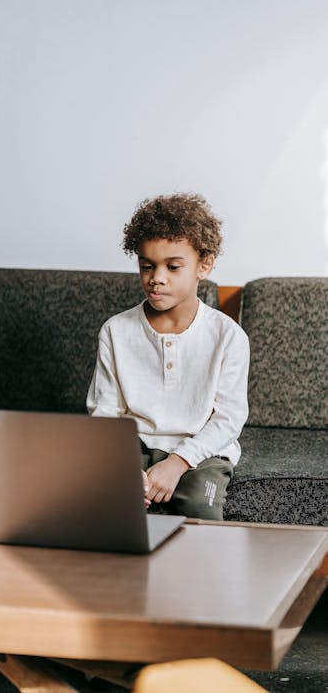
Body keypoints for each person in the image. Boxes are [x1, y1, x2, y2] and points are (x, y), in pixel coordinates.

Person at [87, 193, 249, 519]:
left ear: (204, 265)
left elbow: (228, 419)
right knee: (99, 499)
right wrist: (120, 468)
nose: (156, 278)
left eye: (173, 267)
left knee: (200, 509)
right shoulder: (116, 331)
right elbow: (105, 411)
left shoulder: (228, 336)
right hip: (131, 446)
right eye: (147, 266)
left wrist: (177, 463)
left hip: (202, 452)